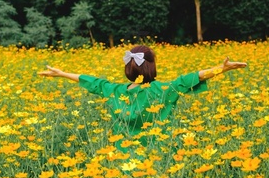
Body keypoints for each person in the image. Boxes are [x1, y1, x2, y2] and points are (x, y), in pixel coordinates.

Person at [39, 45, 247, 152]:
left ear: (128, 67)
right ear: (151, 66)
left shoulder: (114, 91)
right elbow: (190, 79)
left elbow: (93, 82)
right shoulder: (163, 90)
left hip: (124, 160)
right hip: (157, 161)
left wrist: (62, 73)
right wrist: (221, 69)